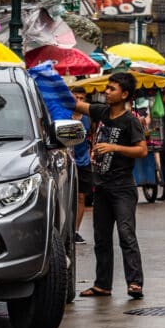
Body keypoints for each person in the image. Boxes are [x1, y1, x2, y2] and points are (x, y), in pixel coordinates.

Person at [73, 73, 149, 299]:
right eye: (107, 88)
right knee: (101, 238)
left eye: (112, 89)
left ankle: (135, 283)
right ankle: (102, 285)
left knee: (126, 235)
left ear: (124, 94)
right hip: (102, 188)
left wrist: (114, 148)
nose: (107, 91)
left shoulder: (130, 121)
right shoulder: (101, 112)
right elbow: (75, 104)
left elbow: (142, 150)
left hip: (123, 188)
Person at [71, 88, 93, 244]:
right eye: (76, 97)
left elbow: (91, 137)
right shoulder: (63, 115)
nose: (78, 100)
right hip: (66, 161)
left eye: (81, 98)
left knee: (80, 197)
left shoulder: (87, 118)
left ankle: (75, 231)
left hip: (83, 161)